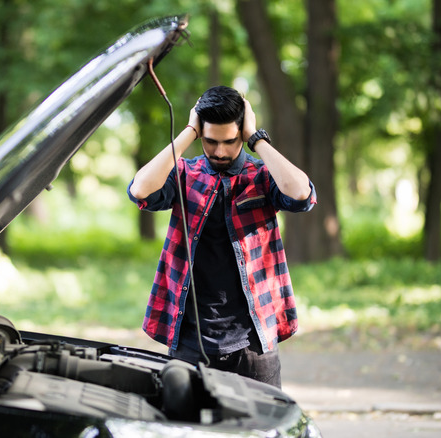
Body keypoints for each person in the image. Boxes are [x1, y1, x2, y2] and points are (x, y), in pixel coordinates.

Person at [127, 86, 317, 388]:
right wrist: (189, 131)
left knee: (261, 434)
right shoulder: (184, 174)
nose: (220, 151)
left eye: (230, 141)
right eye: (210, 141)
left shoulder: (262, 176)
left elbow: (301, 195)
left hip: (254, 342)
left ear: (241, 133)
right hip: (189, 341)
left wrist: (257, 138)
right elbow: (140, 190)